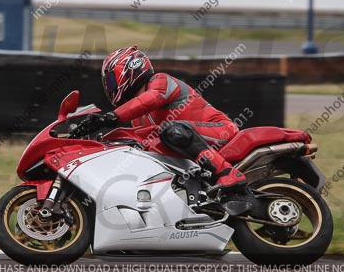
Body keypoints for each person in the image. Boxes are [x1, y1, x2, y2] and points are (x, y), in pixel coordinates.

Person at [71, 46, 246, 196]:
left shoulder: (160, 81)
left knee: (172, 130)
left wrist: (110, 117)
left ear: (129, 69)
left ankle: (228, 173)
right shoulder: (137, 117)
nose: (110, 87)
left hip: (220, 130)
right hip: (191, 146)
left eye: (111, 80)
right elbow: (142, 140)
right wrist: (102, 142)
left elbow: (151, 99)